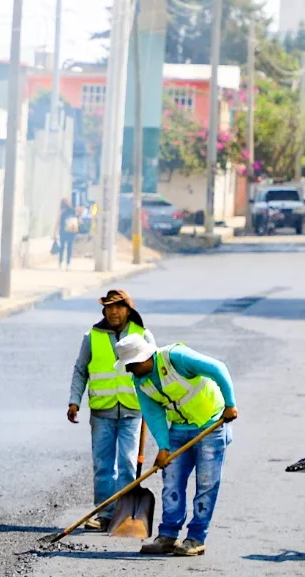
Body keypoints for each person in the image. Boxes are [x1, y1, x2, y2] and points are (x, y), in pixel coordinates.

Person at [113, 332, 238, 556]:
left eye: (131, 366)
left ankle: (196, 538)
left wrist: (230, 404)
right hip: (179, 429)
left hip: (211, 424)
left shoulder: (176, 357)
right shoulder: (140, 381)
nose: (129, 371)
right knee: (171, 483)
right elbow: (153, 414)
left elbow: (218, 368)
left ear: (144, 358)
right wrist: (163, 446)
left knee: (206, 484)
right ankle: (168, 535)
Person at [67, 290, 155, 530]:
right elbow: (80, 369)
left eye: (119, 307)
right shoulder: (92, 336)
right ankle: (104, 513)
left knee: (127, 462)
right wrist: (74, 400)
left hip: (133, 410)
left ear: (128, 309)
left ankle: (124, 513)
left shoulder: (142, 334)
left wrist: (155, 403)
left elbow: (154, 369)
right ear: (104, 311)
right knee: (103, 465)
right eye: (109, 307)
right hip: (102, 411)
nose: (114, 312)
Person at [55, 198, 80, 268]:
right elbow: (78, 219)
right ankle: (68, 264)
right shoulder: (73, 211)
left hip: (63, 231)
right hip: (71, 231)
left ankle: (60, 262)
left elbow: (58, 221)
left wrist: (54, 232)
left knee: (62, 247)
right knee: (70, 247)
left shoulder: (62, 211)